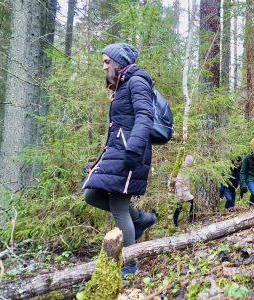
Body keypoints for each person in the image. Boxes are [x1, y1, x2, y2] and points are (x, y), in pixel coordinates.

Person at [82, 43, 157, 278]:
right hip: (117, 151)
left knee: (118, 206)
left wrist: (133, 149)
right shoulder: (122, 86)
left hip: (131, 152)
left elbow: (145, 116)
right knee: (91, 194)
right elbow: (118, 129)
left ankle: (130, 265)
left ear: (118, 63)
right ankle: (140, 219)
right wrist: (98, 163)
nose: (103, 66)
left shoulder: (137, 81)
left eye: (107, 62)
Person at [173, 155, 195, 226]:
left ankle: (189, 219)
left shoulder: (187, 168)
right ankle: (176, 223)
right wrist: (179, 194)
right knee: (180, 206)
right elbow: (178, 183)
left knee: (180, 206)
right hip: (182, 192)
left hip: (185, 191)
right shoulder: (182, 169)